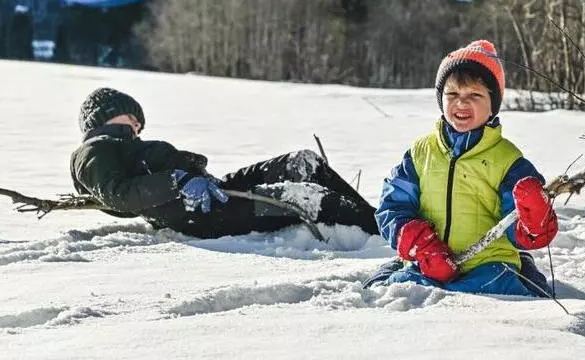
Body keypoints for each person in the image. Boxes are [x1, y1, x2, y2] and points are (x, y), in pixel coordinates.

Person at [369, 40, 558, 296]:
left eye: (474, 95)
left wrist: (534, 220)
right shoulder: (421, 153)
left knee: (515, 293)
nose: (461, 103)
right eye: (453, 94)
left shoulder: (508, 160)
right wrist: (421, 246)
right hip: (427, 265)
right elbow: (393, 206)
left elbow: (520, 230)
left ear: (493, 105)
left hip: (489, 266)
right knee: (389, 290)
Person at [70, 87, 378, 239]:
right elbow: (118, 194)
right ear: (106, 115)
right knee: (306, 199)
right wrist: (178, 181)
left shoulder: (126, 147)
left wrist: (192, 176)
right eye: (133, 117)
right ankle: (386, 236)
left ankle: (383, 221)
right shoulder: (93, 151)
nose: (138, 125)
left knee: (303, 162)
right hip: (206, 215)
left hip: (215, 193)